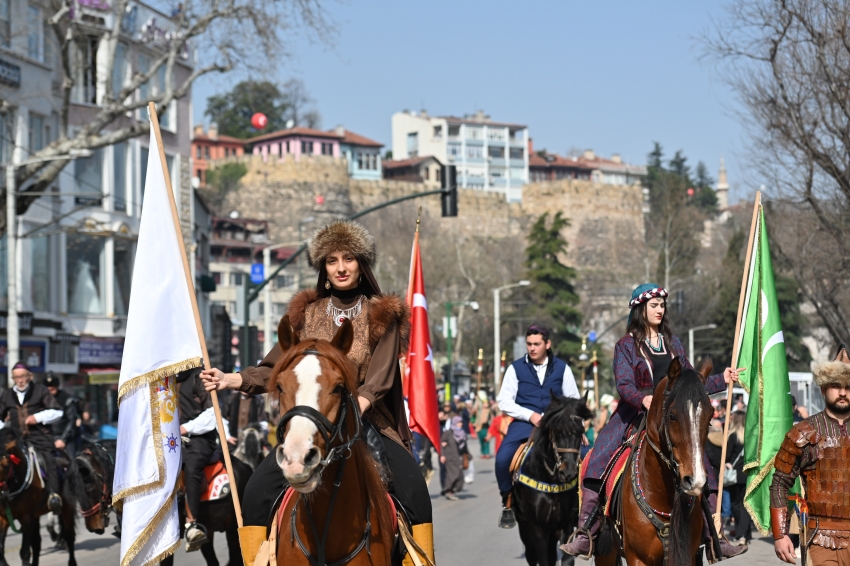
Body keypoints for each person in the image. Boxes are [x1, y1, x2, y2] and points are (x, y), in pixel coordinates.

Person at [200, 220, 434, 564]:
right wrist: (231, 379)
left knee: (415, 489)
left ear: (361, 264)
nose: (341, 267)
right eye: (332, 260)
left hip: (368, 420)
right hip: (311, 421)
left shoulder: (383, 313)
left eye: (349, 258)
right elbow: (275, 369)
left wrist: (354, 408)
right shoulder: (305, 314)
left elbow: (381, 380)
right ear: (323, 267)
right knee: (255, 491)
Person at [562, 283, 746, 558]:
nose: (660, 310)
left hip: (672, 415)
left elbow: (691, 382)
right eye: (654, 305)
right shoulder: (625, 346)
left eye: (662, 305)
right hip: (634, 414)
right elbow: (624, 384)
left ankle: (714, 536)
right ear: (640, 308)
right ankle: (587, 532)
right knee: (597, 460)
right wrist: (643, 399)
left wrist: (723, 378)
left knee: (703, 467)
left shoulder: (674, 344)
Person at [495, 324, 580, 529]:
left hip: (559, 426)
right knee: (502, 459)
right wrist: (530, 415)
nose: (532, 348)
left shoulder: (563, 368)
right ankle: (508, 502)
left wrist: (577, 425)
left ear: (547, 344)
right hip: (524, 424)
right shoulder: (515, 368)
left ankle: (583, 505)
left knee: (586, 456)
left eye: (537, 344)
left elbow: (574, 400)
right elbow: (503, 401)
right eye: (529, 344)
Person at [771, 346, 850, 566]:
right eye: (836, 386)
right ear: (824, 389)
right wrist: (780, 534)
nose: (843, 392)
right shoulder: (804, 431)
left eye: (848, 386)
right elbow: (780, 482)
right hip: (821, 539)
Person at [0, 363, 64, 513]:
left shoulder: (40, 390)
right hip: (15, 438)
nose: (20, 380)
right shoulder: (7, 394)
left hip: (39, 436)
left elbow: (58, 411)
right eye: (16, 377)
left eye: (23, 376)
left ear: (30, 376)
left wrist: (37, 417)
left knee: (50, 459)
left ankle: (54, 496)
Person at [177, 367, 224, 550]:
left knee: (192, 465)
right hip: (171, 439)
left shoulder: (199, 376)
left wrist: (185, 428)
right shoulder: (166, 380)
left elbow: (212, 414)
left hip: (199, 439)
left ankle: (192, 522)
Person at [724, 411, 751, 545]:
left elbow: (727, 455)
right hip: (748, 473)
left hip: (734, 474)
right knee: (745, 504)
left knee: (735, 504)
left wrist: (726, 463)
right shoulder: (751, 435)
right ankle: (745, 534)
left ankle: (741, 533)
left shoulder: (733, 436)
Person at [45, 374, 79, 458]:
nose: (50, 390)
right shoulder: (42, 399)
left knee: (71, 464)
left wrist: (63, 439)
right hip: (47, 438)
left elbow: (71, 420)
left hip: (64, 438)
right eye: (48, 388)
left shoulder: (66, 399)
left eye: (52, 388)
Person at [440, 415, 466, 501]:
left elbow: (464, 445)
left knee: (458, 474)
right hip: (449, 457)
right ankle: (448, 491)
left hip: (458, 457)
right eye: (459, 422)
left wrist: (468, 455)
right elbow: (442, 444)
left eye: (461, 422)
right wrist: (442, 455)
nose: (460, 424)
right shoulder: (448, 432)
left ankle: (453, 489)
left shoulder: (462, 432)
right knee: (452, 474)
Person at [472, 390, 492, 459]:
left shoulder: (488, 410)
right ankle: (483, 452)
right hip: (479, 426)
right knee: (481, 440)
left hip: (486, 427)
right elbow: (473, 411)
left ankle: (487, 452)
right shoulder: (478, 409)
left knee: (486, 439)